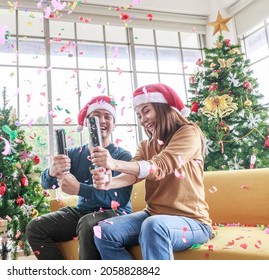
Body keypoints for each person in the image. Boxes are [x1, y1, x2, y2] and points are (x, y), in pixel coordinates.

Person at [90, 83, 212, 260]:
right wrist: (110, 182)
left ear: (163, 108)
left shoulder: (189, 133)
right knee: (103, 231)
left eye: (146, 111)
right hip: (154, 214)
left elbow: (160, 166)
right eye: (139, 115)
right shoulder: (146, 145)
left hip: (193, 221)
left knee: (154, 226)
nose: (142, 119)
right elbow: (133, 174)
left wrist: (114, 164)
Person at [26, 95, 133, 260]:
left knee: (87, 224)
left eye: (107, 116)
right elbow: (46, 184)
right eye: (96, 116)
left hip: (116, 213)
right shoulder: (74, 154)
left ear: (114, 124)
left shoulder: (121, 156)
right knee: (36, 227)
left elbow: (120, 200)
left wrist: (80, 188)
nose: (102, 120)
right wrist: (52, 171)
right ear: (86, 123)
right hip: (83, 212)